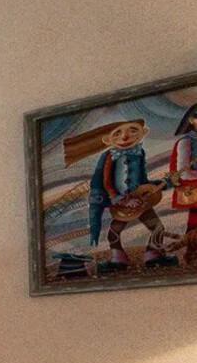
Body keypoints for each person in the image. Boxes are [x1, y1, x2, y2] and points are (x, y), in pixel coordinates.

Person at [63, 118, 172, 271]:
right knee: (114, 232)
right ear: (109, 140)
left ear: (142, 133)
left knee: (157, 228)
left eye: (132, 131)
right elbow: (106, 182)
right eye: (118, 134)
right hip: (122, 204)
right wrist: (121, 200)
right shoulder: (109, 156)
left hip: (140, 201)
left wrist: (161, 184)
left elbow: (143, 180)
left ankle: (153, 256)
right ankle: (118, 260)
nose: (125, 137)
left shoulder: (139, 154)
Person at [168, 102, 197, 264]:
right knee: (194, 222)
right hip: (193, 188)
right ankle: (192, 253)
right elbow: (183, 171)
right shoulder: (185, 142)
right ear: (192, 120)